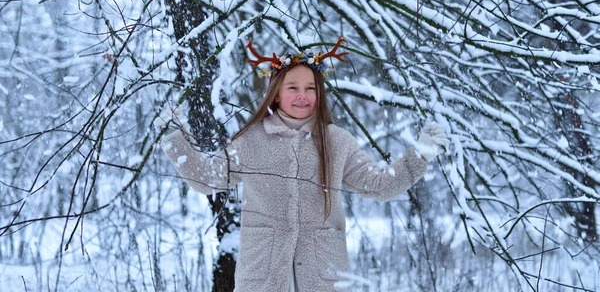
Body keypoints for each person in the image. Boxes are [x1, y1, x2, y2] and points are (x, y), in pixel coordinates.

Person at [156, 37, 449, 292]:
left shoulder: (336, 141)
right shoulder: (251, 141)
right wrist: (173, 139)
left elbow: (380, 185)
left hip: (323, 276)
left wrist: (419, 155)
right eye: (292, 87)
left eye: (310, 88)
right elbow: (208, 179)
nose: (302, 96)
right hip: (264, 277)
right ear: (276, 93)